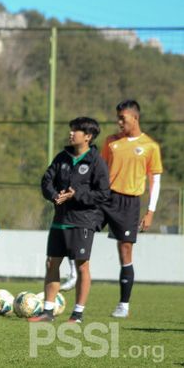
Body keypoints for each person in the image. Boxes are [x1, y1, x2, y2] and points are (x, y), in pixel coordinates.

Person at [28, 117, 110, 323]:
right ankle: (47, 311)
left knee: (82, 266)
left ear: (88, 136)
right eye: (71, 130)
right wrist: (54, 195)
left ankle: (78, 314)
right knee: (51, 263)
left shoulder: (96, 162)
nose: (71, 133)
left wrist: (77, 194)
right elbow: (46, 181)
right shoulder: (61, 157)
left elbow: (103, 194)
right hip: (60, 219)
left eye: (76, 131)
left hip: (83, 221)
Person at [101, 99, 163, 319]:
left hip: (129, 202)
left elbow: (155, 180)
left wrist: (150, 211)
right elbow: (100, 171)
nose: (119, 122)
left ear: (135, 118)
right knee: (80, 229)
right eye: (117, 118)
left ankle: (123, 305)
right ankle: (72, 273)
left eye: (122, 118)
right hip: (105, 198)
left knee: (125, 250)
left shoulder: (150, 146)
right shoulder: (110, 142)